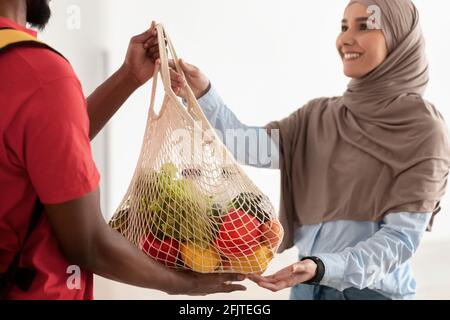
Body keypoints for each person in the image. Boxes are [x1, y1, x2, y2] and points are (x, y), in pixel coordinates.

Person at [167, 0, 450, 300]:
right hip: (306, 288)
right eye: (343, 27)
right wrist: (203, 94)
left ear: (399, 40)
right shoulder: (318, 117)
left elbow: (399, 240)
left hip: (371, 294)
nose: (345, 39)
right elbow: (247, 146)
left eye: (364, 26)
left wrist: (324, 267)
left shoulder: (421, 129)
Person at [0, 0, 246, 300]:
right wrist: (185, 284)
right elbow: (89, 244)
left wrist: (128, 77)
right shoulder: (40, 73)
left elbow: (45, 146)